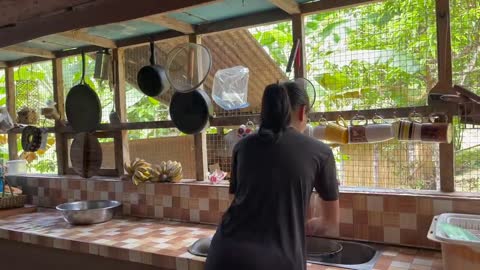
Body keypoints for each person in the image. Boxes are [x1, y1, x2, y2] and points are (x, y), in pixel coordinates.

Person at [205, 82, 340, 270]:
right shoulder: (321, 153)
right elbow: (330, 225)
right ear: (302, 112)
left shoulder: (242, 147)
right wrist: (311, 223)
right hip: (279, 262)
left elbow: (238, 202)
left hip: (223, 255)